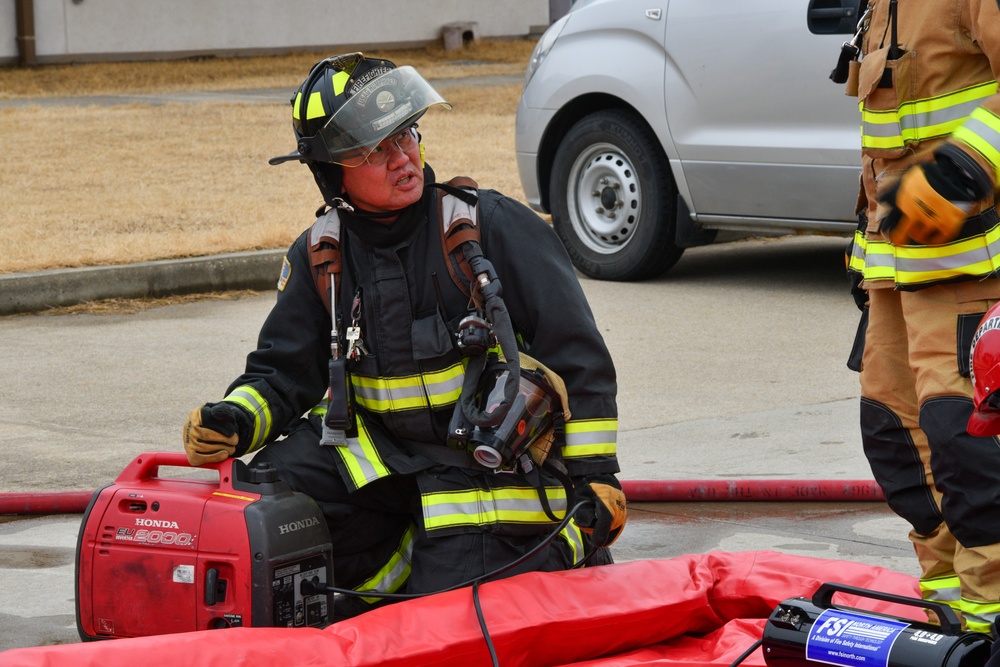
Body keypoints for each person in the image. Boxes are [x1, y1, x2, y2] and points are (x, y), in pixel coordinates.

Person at [181, 52, 625, 616]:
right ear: (331, 170)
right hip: (383, 460)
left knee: (457, 622)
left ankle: (450, 574)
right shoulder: (322, 257)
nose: (403, 159)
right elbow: (283, 372)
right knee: (260, 501)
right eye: (374, 150)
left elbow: (578, 355)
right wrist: (236, 419)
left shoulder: (491, 230)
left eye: (407, 135)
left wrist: (596, 479)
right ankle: (370, 588)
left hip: (484, 469)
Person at [841, 0, 1000, 634]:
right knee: (895, 438)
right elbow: (890, 135)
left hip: (975, 266)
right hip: (896, 267)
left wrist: (965, 168)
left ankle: (991, 620)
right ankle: (950, 618)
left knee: (970, 447)